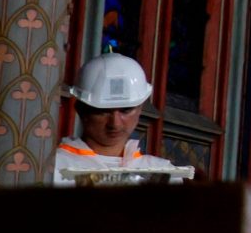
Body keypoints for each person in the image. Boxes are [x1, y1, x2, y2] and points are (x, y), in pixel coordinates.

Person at [49, 51, 178, 183]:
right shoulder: (52, 168)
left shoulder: (164, 174)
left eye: (125, 110)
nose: (115, 123)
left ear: (140, 109)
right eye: (103, 111)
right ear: (81, 110)